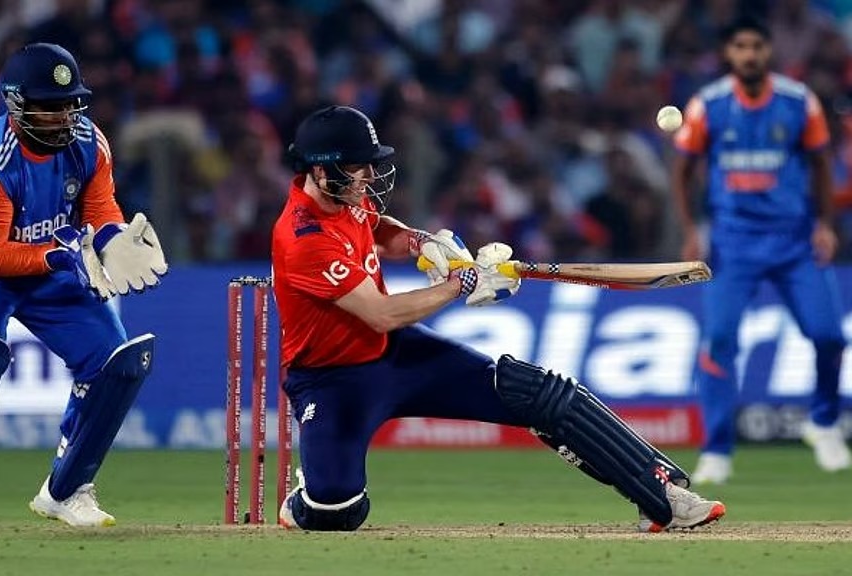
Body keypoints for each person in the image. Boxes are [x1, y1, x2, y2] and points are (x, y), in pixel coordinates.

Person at [271, 104, 726, 532]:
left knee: (535, 393)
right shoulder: (304, 238)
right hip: (332, 380)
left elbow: (377, 228)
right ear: (320, 171)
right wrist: (460, 283)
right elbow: (381, 313)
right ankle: (309, 495)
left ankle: (661, 494)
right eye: (358, 166)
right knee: (339, 510)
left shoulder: (344, 196)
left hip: (395, 354)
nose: (370, 175)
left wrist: (421, 243)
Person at [0, 43, 168, 527]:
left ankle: (67, 490)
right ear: (16, 105)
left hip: (53, 258)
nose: (63, 117)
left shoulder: (89, 142)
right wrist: (62, 255)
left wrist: (111, 240)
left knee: (116, 361)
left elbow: (99, 208)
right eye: (49, 106)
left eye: (69, 104)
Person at [672, 17, 850, 485]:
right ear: (728, 54)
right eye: (740, 47)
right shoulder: (709, 105)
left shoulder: (798, 102)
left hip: (794, 241)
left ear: (768, 51)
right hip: (733, 243)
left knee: (829, 336)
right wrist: (691, 229)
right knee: (719, 341)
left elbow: (820, 166)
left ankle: (824, 422)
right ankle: (716, 451)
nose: (749, 54)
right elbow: (683, 170)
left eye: (756, 46)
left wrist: (825, 224)